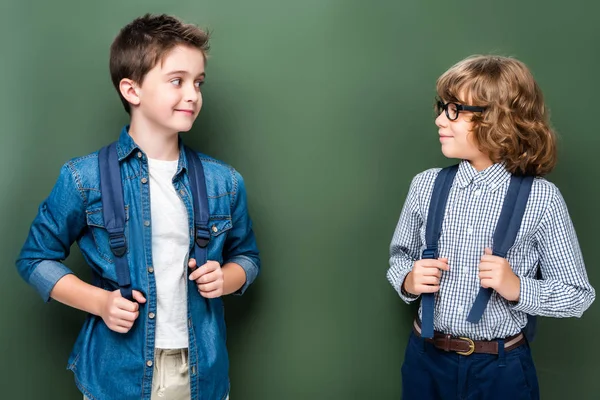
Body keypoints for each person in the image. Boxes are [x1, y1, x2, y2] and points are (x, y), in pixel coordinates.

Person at [16, 13, 260, 400]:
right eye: (177, 81)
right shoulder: (83, 178)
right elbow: (34, 260)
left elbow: (247, 256)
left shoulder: (224, 182)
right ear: (132, 90)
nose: (193, 95)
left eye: (198, 83)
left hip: (202, 373)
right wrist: (100, 302)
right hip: (116, 374)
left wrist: (227, 278)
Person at [386, 55, 595, 399]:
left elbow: (577, 295)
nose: (440, 119)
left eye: (455, 109)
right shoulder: (426, 186)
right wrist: (409, 278)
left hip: (501, 369)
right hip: (426, 361)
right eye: (442, 107)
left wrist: (517, 287)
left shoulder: (541, 199)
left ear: (499, 119)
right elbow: (400, 258)